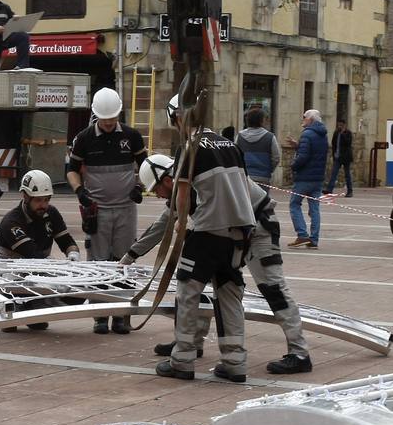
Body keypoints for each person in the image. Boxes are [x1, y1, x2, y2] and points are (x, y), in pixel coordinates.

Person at [125, 154, 314, 375]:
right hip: (232, 232)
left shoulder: (195, 183)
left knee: (273, 288)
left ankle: (300, 353)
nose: (157, 196)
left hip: (259, 228)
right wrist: (129, 257)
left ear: (166, 181)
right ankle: (190, 344)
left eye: (155, 189)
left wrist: (191, 225)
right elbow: (162, 225)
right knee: (206, 280)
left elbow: (198, 214)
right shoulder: (184, 186)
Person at [153, 95, 256, 382]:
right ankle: (235, 363)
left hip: (208, 231)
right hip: (239, 232)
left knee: (188, 292)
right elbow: (244, 190)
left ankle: (183, 359)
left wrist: (182, 226)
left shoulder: (190, 147)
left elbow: (183, 199)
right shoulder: (230, 145)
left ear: (177, 118)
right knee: (229, 294)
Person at [66, 87, 147, 334]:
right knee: (98, 262)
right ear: (96, 115)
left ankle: (121, 315)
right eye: (105, 118)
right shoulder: (84, 138)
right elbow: (71, 169)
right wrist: (79, 191)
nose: (109, 122)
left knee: (124, 260)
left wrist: (139, 186)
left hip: (126, 207)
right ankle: (100, 315)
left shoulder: (132, 136)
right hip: (97, 209)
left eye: (113, 118)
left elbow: (146, 166)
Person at [0, 169, 81, 332]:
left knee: (75, 294)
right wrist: (60, 273)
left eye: (47, 200)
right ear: (25, 197)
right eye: (38, 200)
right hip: (10, 271)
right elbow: (32, 255)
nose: (43, 205)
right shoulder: (12, 222)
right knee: (15, 297)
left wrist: (73, 255)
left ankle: (34, 306)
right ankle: (15, 306)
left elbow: (66, 240)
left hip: (38, 267)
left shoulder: (51, 213)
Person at [289, 109, 328, 249]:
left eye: (304, 117)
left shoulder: (307, 134)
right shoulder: (323, 135)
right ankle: (314, 239)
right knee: (314, 208)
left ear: (311, 120)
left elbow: (304, 157)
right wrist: (298, 146)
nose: (303, 120)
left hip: (305, 177)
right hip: (318, 177)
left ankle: (302, 235)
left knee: (294, 204)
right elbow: (315, 152)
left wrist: (293, 165)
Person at [235, 107, 280, 193]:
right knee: (262, 204)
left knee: (246, 203)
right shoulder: (270, 137)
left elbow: (235, 155)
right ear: (261, 120)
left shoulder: (239, 136)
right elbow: (276, 157)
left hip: (245, 177)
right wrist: (269, 169)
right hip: (263, 178)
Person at [324, 119, 354, 197]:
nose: (339, 127)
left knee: (347, 175)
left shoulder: (348, 133)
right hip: (338, 156)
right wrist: (334, 154)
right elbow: (333, 143)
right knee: (334, 173)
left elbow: (348, 143)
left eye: (341, 125)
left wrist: (343, 134)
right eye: (338, 125)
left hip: (346, 157)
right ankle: (329, 190)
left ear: (344, 125)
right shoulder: (336, 132)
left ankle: (350, 191)